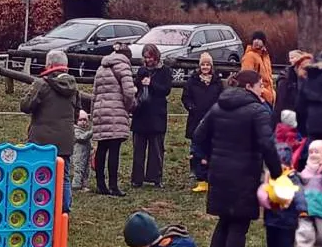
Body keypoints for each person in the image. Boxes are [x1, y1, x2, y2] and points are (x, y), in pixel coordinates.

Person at [192, 69, 283, 247]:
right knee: (239, 225)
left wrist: (206, 157)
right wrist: (277, 173)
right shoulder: (258, 112)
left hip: (219, 172)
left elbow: (198, 134)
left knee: (224, 221)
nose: (263, 89)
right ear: (249, 87)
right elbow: (267, 145)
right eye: (260, 84)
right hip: (244, 175)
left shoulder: (219, 105)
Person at [21, 49, 80, 209]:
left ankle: (40, 208)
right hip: (65, 140)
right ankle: (63, 210)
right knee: (63, 177)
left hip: (41, 140)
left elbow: (26, 106)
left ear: (49, 65)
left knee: (40, 175)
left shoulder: (42, 84)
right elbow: (76, 114)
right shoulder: (73, 86)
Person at [90, 42, 136, 196]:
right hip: (116, 111)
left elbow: (94, 93)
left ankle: (100, 184)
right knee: (114, 150)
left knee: (102, 149)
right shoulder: (123, 67)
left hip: (100, 111)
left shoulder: (101, 67)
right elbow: (129, 92)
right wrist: (130, 106)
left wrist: (93, 112)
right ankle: (114, 186)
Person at [130, 44, 174, 188]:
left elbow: (166, 90)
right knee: (138, 149)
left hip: (157, 115)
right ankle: (137, 178)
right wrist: (138, 85)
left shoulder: (165, 71)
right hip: (141, 114)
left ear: (156, 57)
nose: (148, 60)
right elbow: (136, 86)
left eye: (150, 57)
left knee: (156, 149)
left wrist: (152, 83)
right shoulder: (142, 70)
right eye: (146, 57)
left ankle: (155, 177)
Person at [181, 52, 223, 192]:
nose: (205, 67)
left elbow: (221, 98)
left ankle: (211, 173)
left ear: (211, 66)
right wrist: (191, 107)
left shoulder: (217, 81)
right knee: (196, 147)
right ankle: (195, 171)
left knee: (211, 147)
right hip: (196, 118)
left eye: (207, 65)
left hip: (213, 119)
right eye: (203, 64)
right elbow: (185, 97)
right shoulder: (192, 80)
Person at [276, 50, 310, 125]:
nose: (290, 60)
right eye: (290, 58)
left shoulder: (308, 79)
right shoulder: (286, 79)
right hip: (290, 119)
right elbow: (282, 102)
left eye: (292, 58)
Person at [240, 32, 275, 106]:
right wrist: (262, 92)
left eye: (259, 39)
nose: (256, 41)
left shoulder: (265, 56)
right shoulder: (249, 56)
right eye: (254, 39)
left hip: (268, 96)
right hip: (258, 97)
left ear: (264, 42)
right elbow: (246, 78)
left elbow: (269, 77)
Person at [71, 111, 93, 195]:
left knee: (86, 170)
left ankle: (84, 185)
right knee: (78, 169)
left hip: (86, 155)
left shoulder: (84, 131)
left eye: (85, 120)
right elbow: (82, 138)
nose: (83, 122)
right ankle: (76, 185)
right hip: (78, 155)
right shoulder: (75, 130)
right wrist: (91, 132)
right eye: (80, 120)